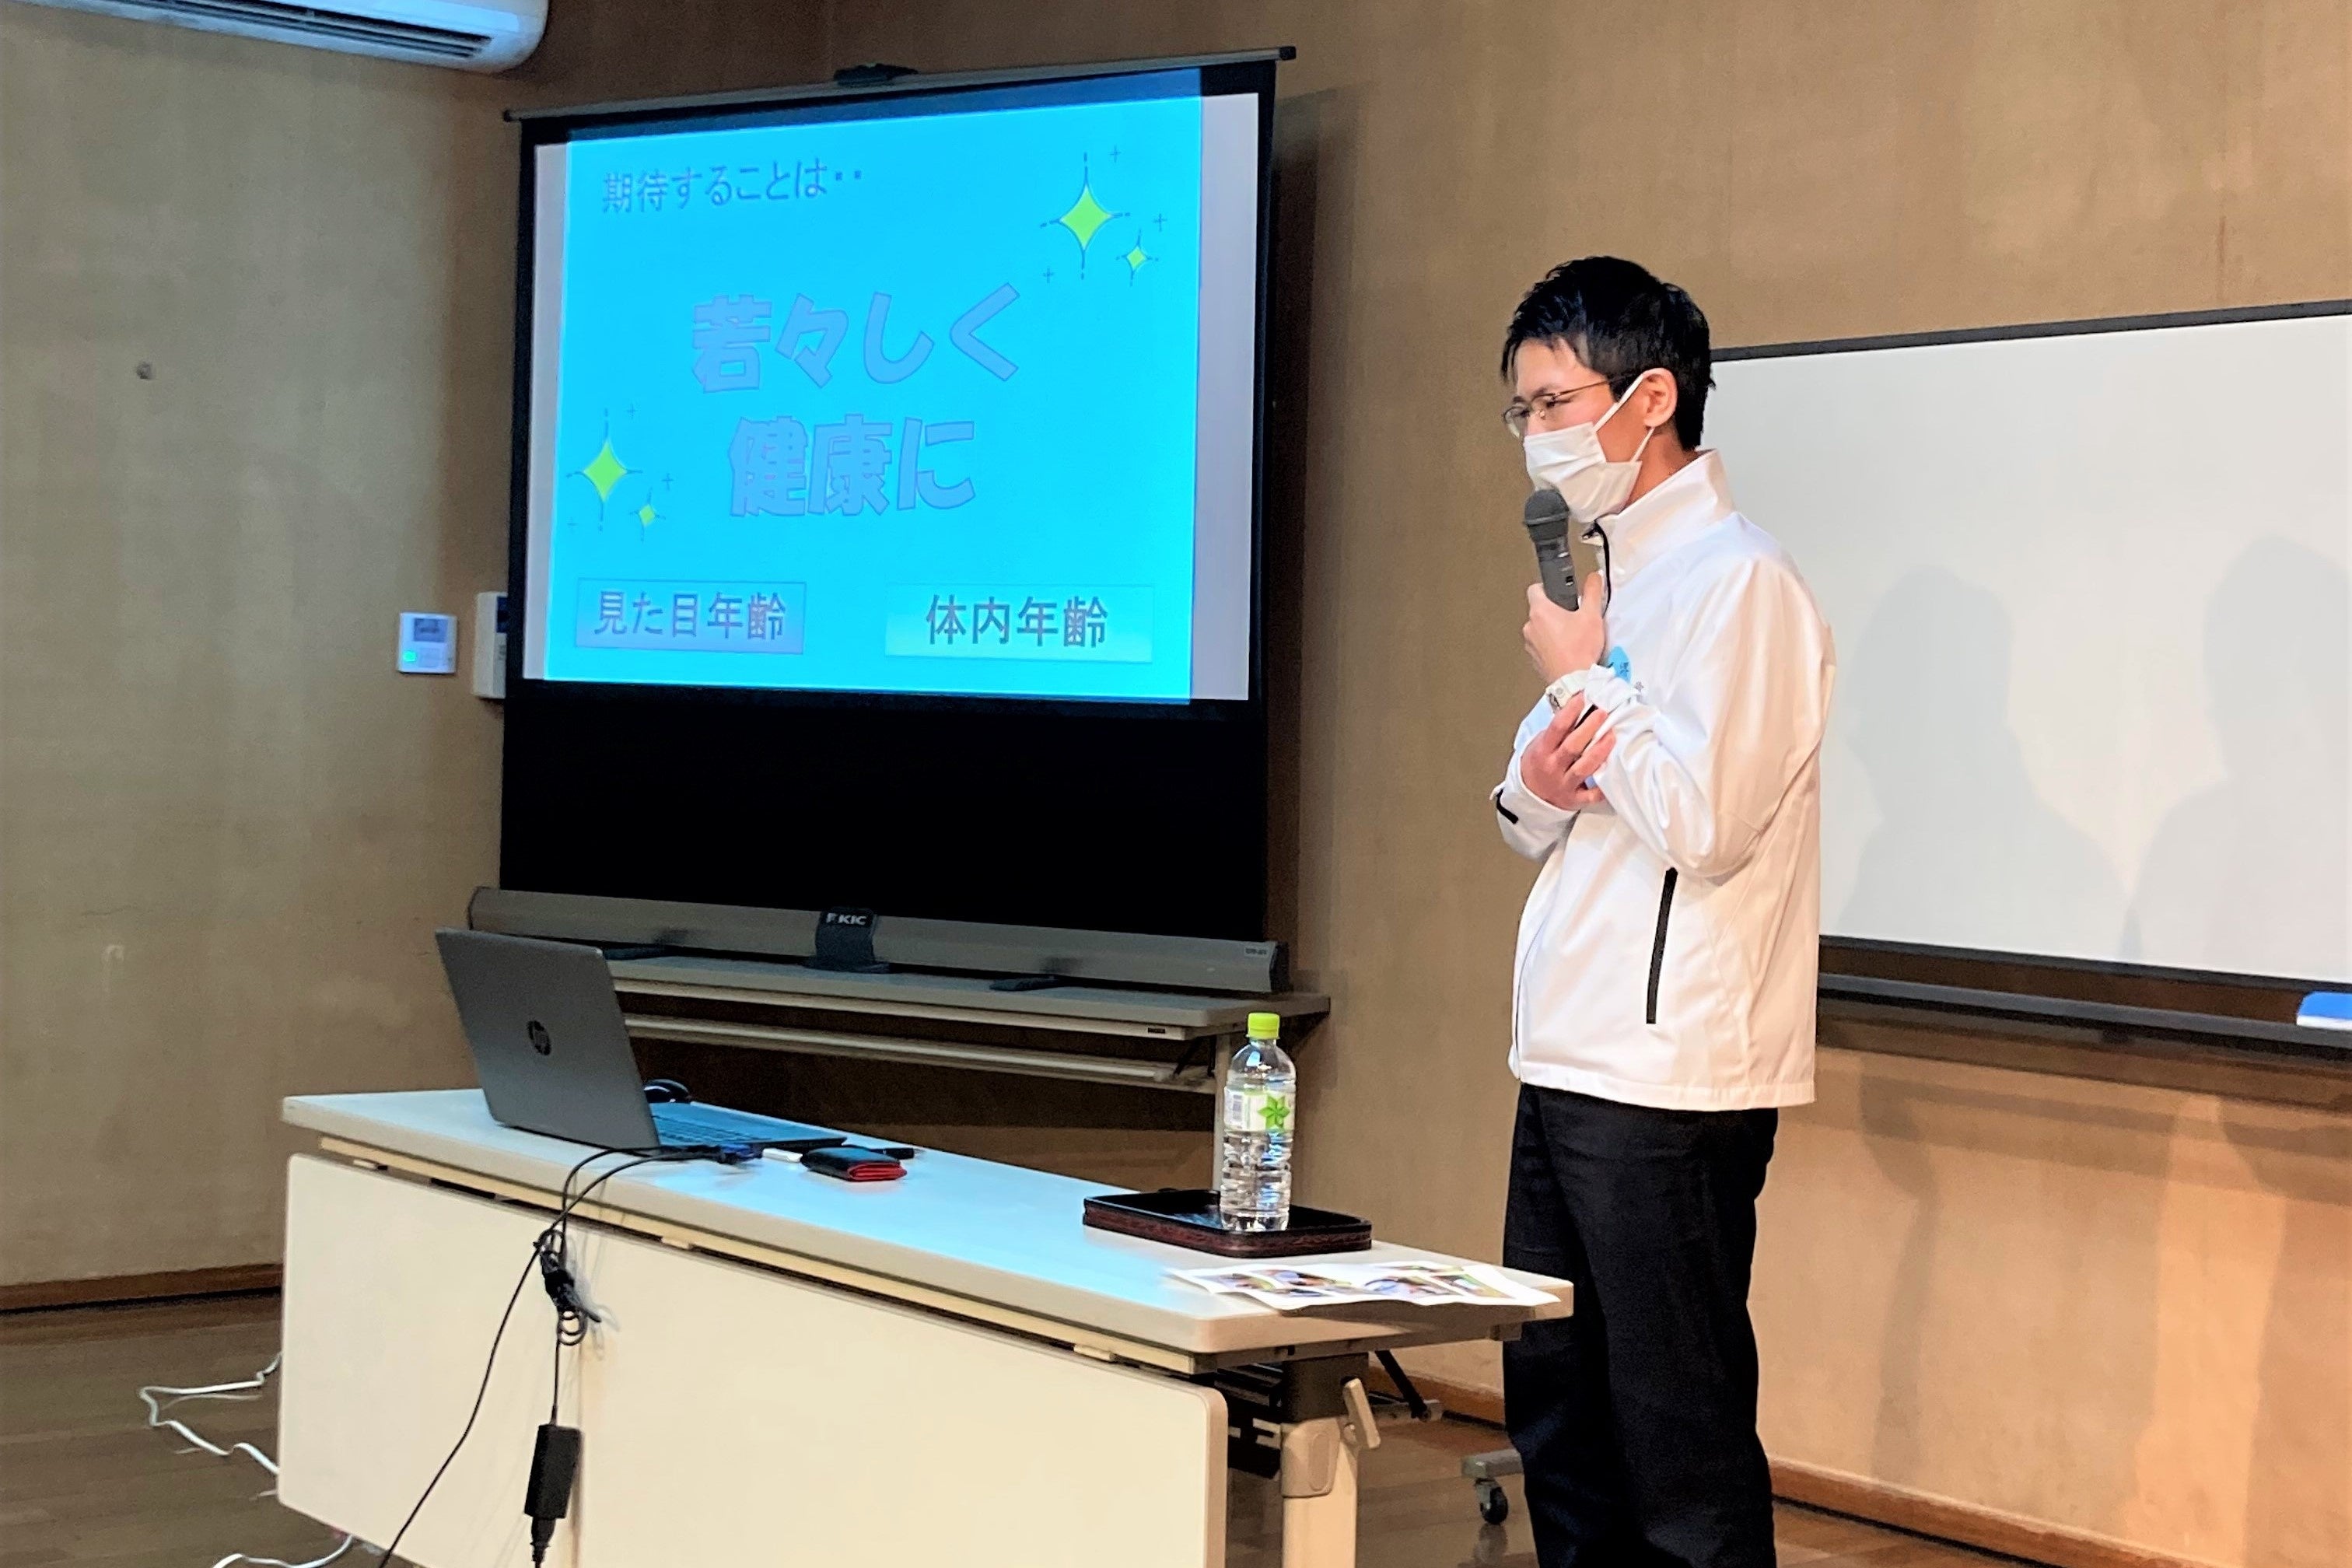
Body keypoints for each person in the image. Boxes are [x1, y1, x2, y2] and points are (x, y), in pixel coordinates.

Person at [1488, 256, 1836, 1568]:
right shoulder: (1609, 586)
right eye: (1521, 409)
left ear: (1651, 399)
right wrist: (1537, 776)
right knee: (1560, 1419)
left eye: (1555, 403)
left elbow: (1706, 820)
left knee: (1675, 1440)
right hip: (1565, 1058)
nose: (1536, 434)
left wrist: (1587, 685)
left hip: (1671, 1078)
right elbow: (1530, 820)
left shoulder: (1745, 583)